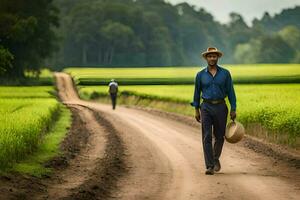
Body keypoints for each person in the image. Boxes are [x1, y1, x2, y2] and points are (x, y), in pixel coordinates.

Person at [190, 47, 237, 175]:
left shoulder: (225, 74)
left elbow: (231, 91)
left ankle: (215, 158)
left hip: (221, 107)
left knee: (220, 136)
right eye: (210, 56)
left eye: (214, 56)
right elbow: (196, 93)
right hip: (205, 107)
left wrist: (233, 108)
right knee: (206, 136)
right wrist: (196, 110)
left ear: (218, 57)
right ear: (206, 58)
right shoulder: (200, 75)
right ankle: (210, 166)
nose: (212, 58)